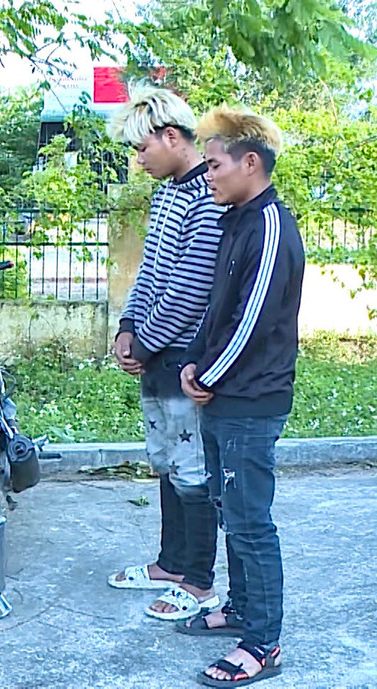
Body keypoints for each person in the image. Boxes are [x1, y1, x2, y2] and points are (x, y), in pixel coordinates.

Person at [179, 105, 304, 687]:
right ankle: (241, 609)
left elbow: (254, 319)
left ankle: (264, 642)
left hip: (251, 400)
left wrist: (208, 376)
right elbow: (217, 308)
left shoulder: (271, 224)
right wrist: (194, 363)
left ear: (250, 163)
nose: (207, 176)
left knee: (252, 520)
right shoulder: (236, 219)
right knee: (230, 509)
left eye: (213, 165)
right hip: (224, 393)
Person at [106, 87, 224, 622]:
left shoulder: (209, 193)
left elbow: (191, 285)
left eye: (142, 148)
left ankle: (199, 581)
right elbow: (152, 272)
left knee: (193, 469)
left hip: (187, 356)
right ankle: (171, 564)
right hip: (157, 353)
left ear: (171, 137)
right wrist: (129, 329)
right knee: (168, 464)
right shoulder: (167, 193)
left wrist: (150, 344)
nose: (139, 159)